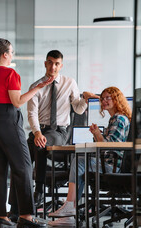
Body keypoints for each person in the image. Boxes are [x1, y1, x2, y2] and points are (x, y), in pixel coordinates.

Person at [0, 38, 54, 228]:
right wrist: (37, 88)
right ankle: (26, 216)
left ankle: (1, 217)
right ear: (5, 54)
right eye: (11, 52)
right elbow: (17, 102)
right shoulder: (10, 73)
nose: (12, 55)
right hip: (8, 120)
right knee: (24, 167)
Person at [48, 86, 131, 227]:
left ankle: (70, 207)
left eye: (107, 98)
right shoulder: (115, 118)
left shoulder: (119, 118)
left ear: (116, 99)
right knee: (81, 163)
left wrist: (98, 134)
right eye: (102, 98)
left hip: (111, 167)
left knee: (80, 161)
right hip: (109, 164)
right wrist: (97, 134)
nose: (104, 101)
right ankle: (70, 213)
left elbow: (109, 147)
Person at [26, 50, 98, 208]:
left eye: (57, 63)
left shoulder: (69, 83)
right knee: (21, 155)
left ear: (61, 66)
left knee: (41, 144)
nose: (53, 67)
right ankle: (19, 204)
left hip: (59, 131)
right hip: (39, 129)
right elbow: (31, 113)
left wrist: (85, 99)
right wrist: (37, 132)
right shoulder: (36, 86)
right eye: (50, 62)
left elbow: (78, 109)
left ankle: (38, 190)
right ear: (45, 63)